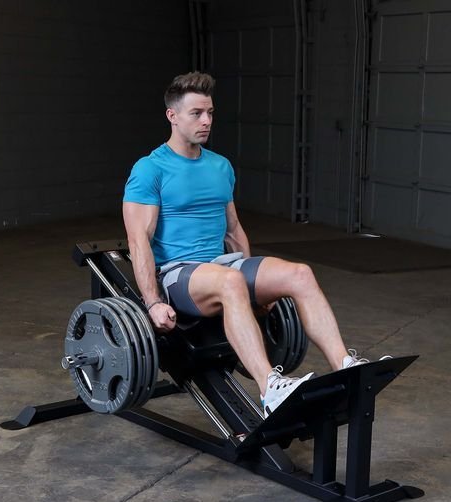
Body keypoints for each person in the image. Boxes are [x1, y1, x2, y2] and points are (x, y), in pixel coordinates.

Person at [123, 71, 385, 417]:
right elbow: (138, 239)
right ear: (172, 116)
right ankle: (270, 389)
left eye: (210, 113)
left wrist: (253, 286)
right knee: (230, 281)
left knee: (300, 274)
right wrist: (153, 302)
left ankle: (345, 365)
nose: (206, 121)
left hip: (223, 265)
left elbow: (233, 229)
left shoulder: (220, 166)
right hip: (178, 273)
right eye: (196, 113)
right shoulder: (150, 169)